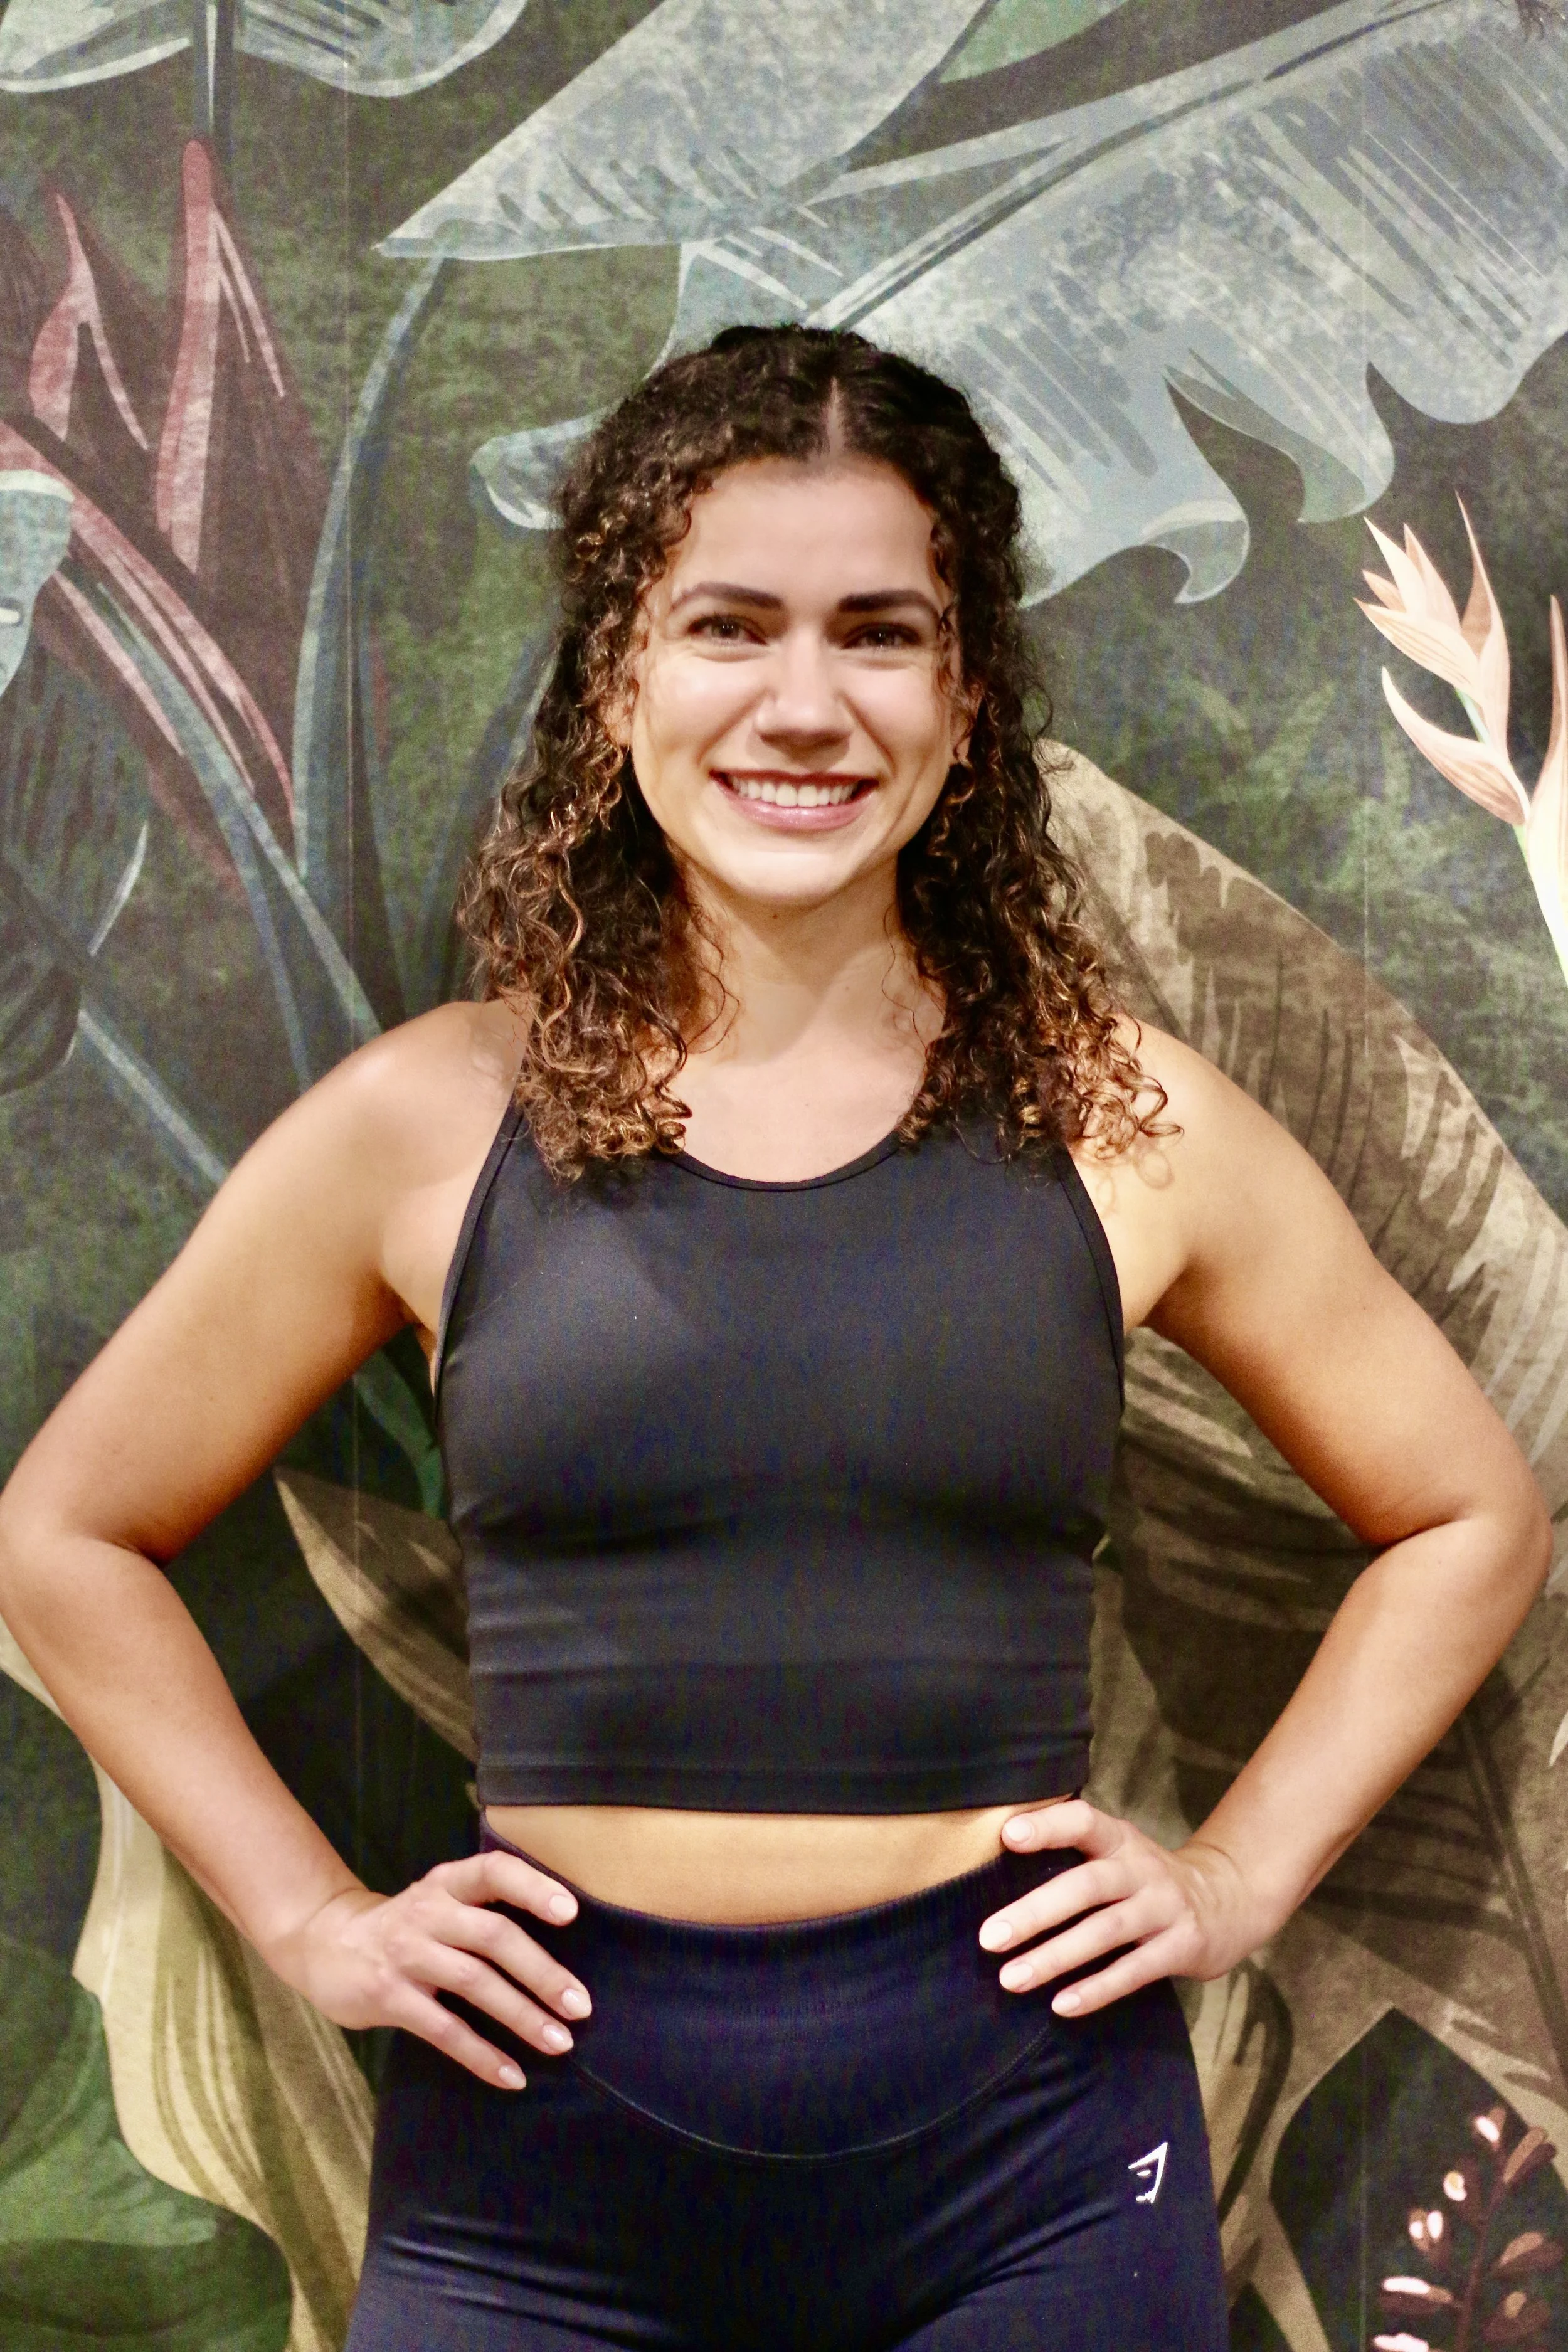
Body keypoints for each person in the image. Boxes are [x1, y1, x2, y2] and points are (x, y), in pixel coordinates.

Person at [0, 324, 1549, 2351]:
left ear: (965, 698)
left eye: (877, 633)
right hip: (537, 2168)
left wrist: (1237, 1876)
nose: (802, 703)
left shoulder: (1125, 1123)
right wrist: (309, 1919)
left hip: (1037, 2169)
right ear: (620, 673)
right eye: (727, 624)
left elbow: (1466, 1515)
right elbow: (68, 1533)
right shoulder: (423, 1124)